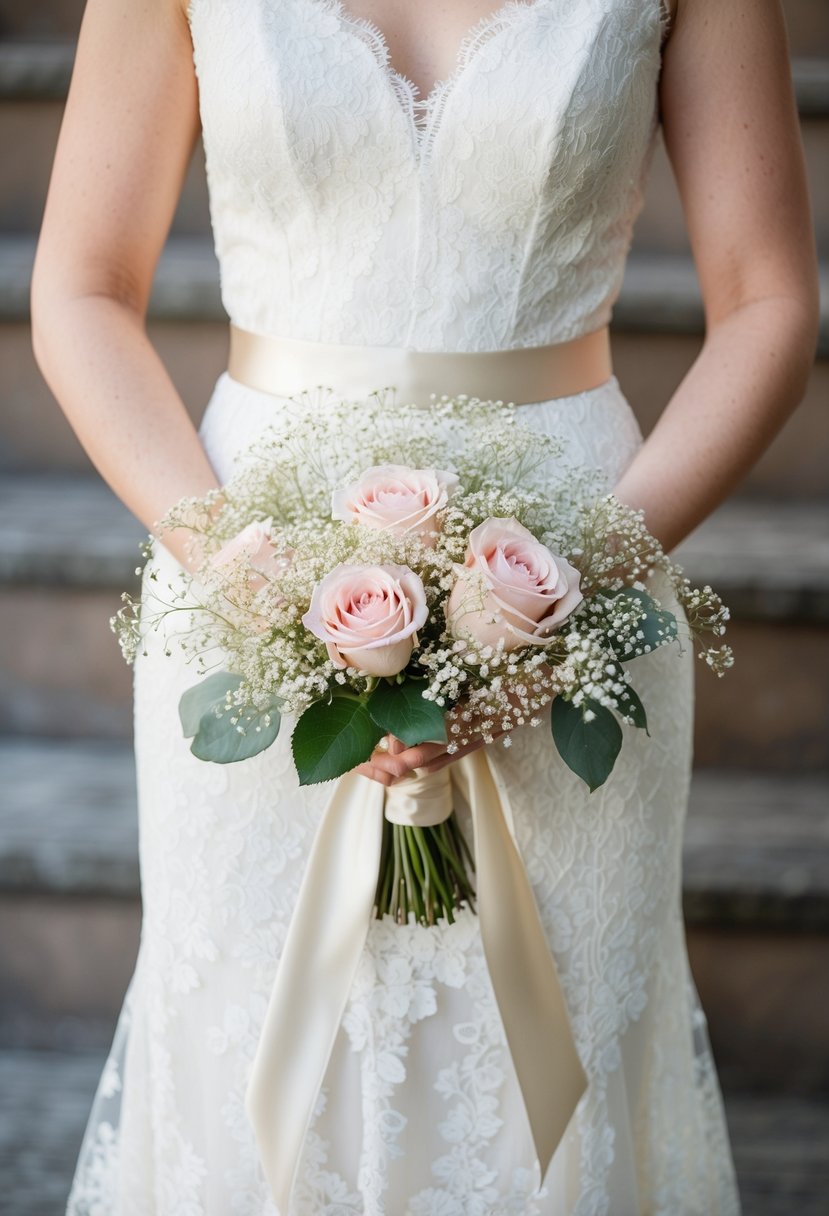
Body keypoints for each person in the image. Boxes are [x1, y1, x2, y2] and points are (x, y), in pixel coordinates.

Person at [31, 0, 818, 1212]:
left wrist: (572, 590)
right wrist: (252, 580)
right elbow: (81, 288)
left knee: (541, 1098)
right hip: (253, 591)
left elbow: (768, 301)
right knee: (254, 1075)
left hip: (572, 583)